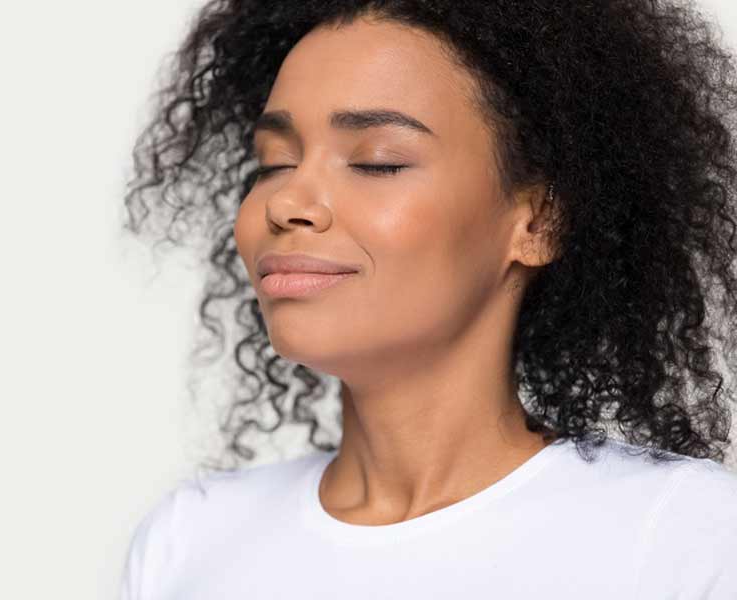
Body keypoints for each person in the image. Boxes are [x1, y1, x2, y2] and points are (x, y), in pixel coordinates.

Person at [119, 1, 737, 598]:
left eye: (377, 162)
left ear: (537, 223)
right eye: (273, 164)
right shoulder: (191, 541)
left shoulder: (681, 539)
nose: (285, 204)